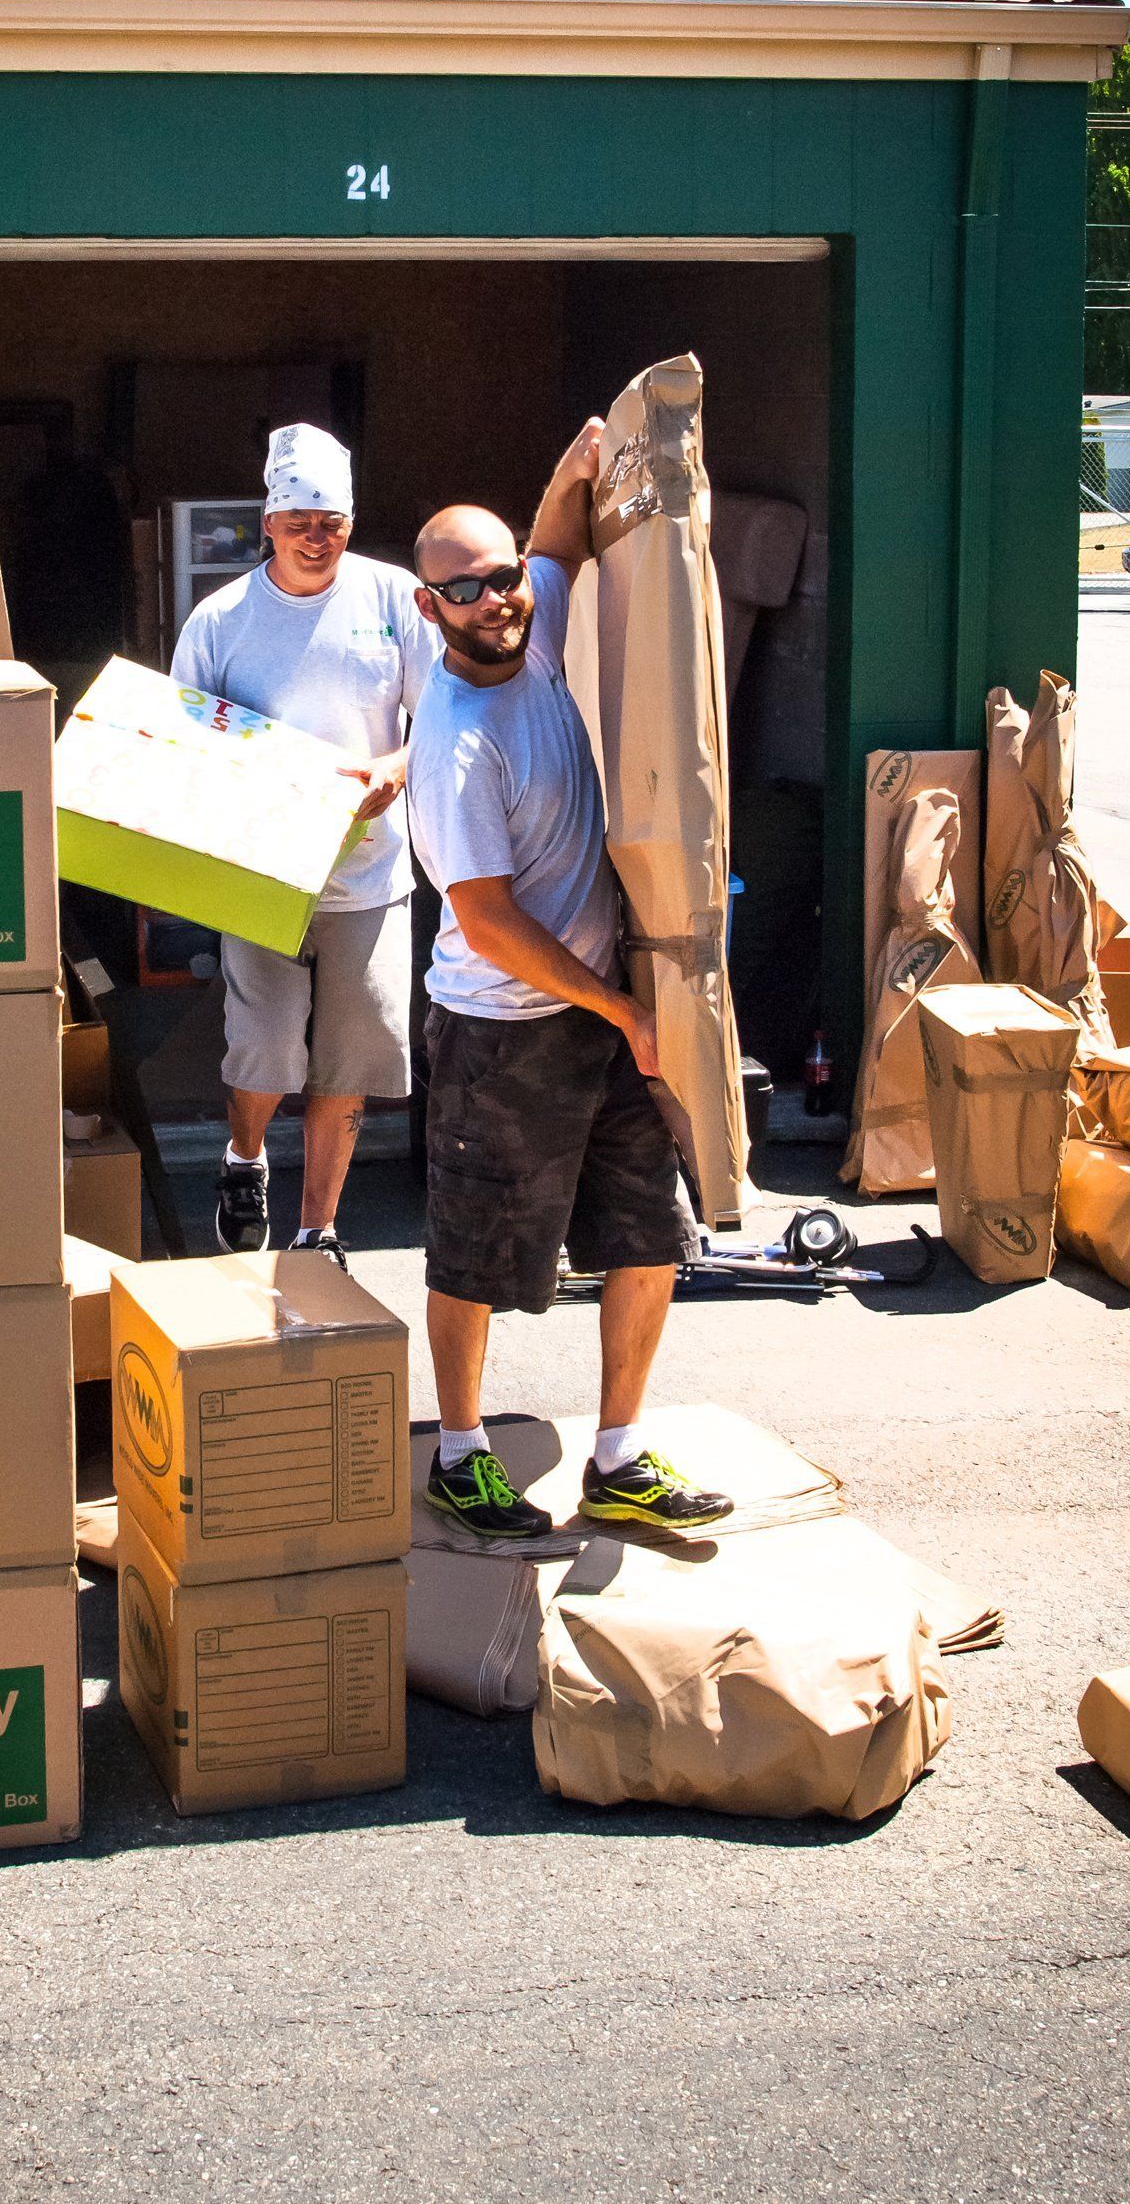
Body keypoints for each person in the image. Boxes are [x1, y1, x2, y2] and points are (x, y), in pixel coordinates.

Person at [404, 420, 734, 1537]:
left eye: (501, 580)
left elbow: (555, 537)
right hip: (503, 1033)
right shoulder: (456, 745)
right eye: (465, 589)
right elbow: (487, 923)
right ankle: (458, 1452)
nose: (496, 598)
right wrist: (622, 1008)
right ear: (426, 607)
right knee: (475, 1248)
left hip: (604, 1015)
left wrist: (592, 450)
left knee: (649, 1233)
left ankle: (619, 1456)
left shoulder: (533, 633)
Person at [172, 423, 438, 1263]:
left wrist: (398, 763)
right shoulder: (220, 620)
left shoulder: (393, 598)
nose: (316, 536)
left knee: (348, 1059)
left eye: (331, 520)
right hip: (264, 870)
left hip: (372, 872)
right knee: (265, 1050)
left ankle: (318, 1226)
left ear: (350, 523)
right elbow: (181, 738)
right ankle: (245, 1158)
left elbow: (443, 713)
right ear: (268, 523)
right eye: (299, 519)